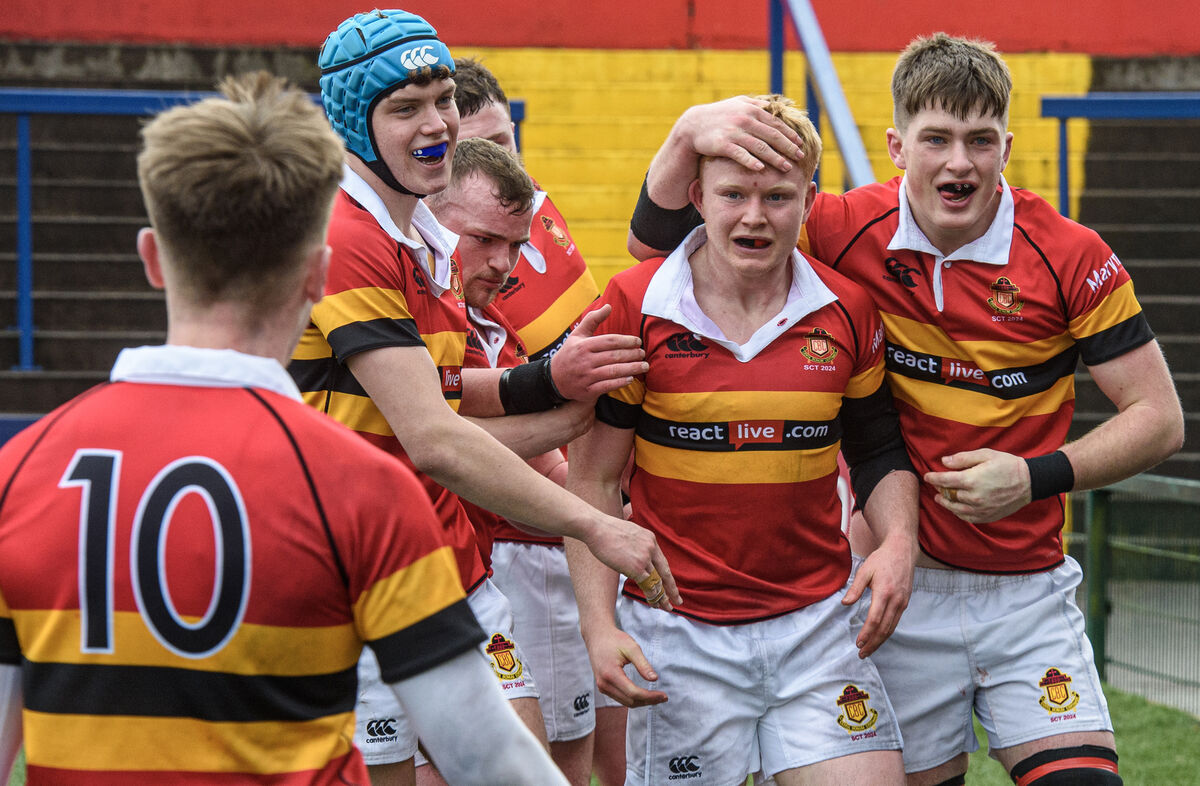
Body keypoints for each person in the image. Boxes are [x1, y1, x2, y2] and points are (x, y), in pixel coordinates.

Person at [627, 33, 1185, 786]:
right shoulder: (840, 226)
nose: (960, 163)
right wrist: (689, 130)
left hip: (1026, 587)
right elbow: (654, 244)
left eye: (981, 141)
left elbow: (1159, 417)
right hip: (899, 588)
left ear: (1006, 147)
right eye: (938, 140)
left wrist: (1035, 475)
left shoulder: (1072, 253)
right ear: (896, 146)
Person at [0, 71, 567, 785]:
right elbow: (488, 758)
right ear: (317, 275)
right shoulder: (368, 491)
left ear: (151, 259)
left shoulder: (20, 473)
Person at [292, 10, 678, 785]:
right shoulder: (350, 235)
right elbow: (431, 437)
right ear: (348, 119)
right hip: (353, 571)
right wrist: (592, 523)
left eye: (441, 99)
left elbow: (443, 384)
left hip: (439, 564)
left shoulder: (418, 238)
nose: (435, 123)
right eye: (404, 108)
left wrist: (554, 386)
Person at [568, 94, 920, 786]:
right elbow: (593, 483)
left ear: (809, 199)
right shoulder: (636, 303)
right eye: (734, 193)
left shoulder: (848, 309)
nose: (754, 216)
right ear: (697, 196)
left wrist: (901, 540)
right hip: (679, 634)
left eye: (777, 195)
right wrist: (597, 625)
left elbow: (878, 449)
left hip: (818, 628)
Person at [449, 58, 613, 783]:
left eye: (508, 143)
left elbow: (499, 389)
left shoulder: (533, 225)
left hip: (541, 537)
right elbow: (442, 430)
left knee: (574, 751)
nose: (506, 260)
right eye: (478, 146)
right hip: (498, 544)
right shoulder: (412, 277)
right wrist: (594, 509)